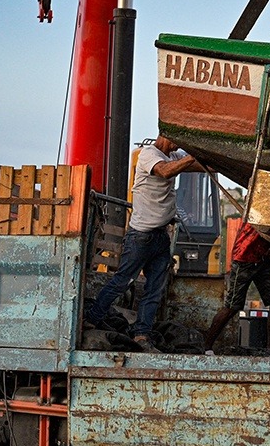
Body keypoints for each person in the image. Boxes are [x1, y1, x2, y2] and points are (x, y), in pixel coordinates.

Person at [85, 134, 204, 351]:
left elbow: (198, 166)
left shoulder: (174, 155)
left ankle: (142, 334)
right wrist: (193, 155)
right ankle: (92, 318)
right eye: (180, 137)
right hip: (141, 236)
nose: (182, 144)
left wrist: (215, 159)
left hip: (160, 237)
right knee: (122, 281)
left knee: (154, 290)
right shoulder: (149, 155)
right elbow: (166, 171)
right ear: (165, 134)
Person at [203, 221, 270, 353]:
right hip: (244, 257)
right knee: (232, 307)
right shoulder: (262, 209)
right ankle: (206, 347)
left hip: (262, 257)